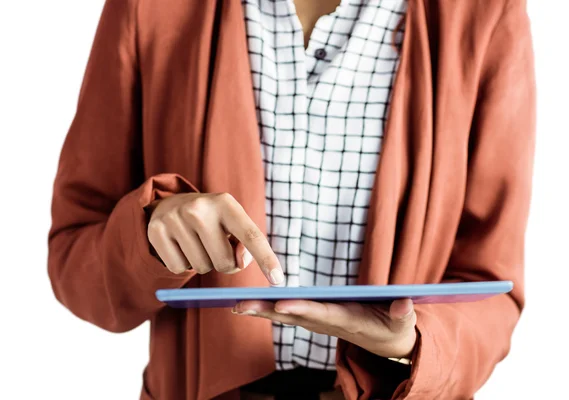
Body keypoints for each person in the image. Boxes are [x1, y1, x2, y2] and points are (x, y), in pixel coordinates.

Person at [47, 0, 535, 399]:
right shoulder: (150, 7)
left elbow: (493, 289)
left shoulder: (484, 14)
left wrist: (413, 343)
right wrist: (151, 236)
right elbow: (74, 259)